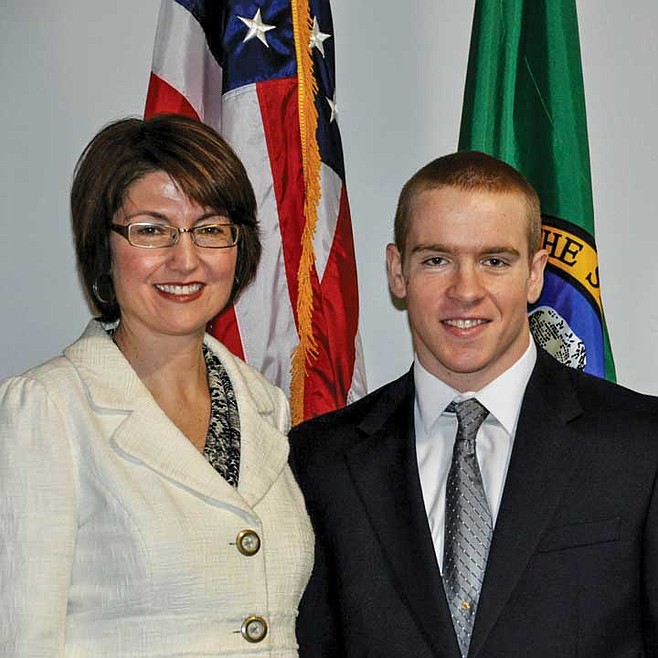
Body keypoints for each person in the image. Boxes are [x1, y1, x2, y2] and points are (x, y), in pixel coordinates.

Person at [289, 150, 658, 657]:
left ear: (535, 273)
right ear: (397, 271)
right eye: (436, 260)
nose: (465, 291)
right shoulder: (318, 461)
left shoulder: (641, 446)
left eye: (494, 262)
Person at [0, 114, 313, 656]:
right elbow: (23, 640)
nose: (185, 259)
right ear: (103, 248)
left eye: (210, 229)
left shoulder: (265, 406)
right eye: (151, 230)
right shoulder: (47, 409)